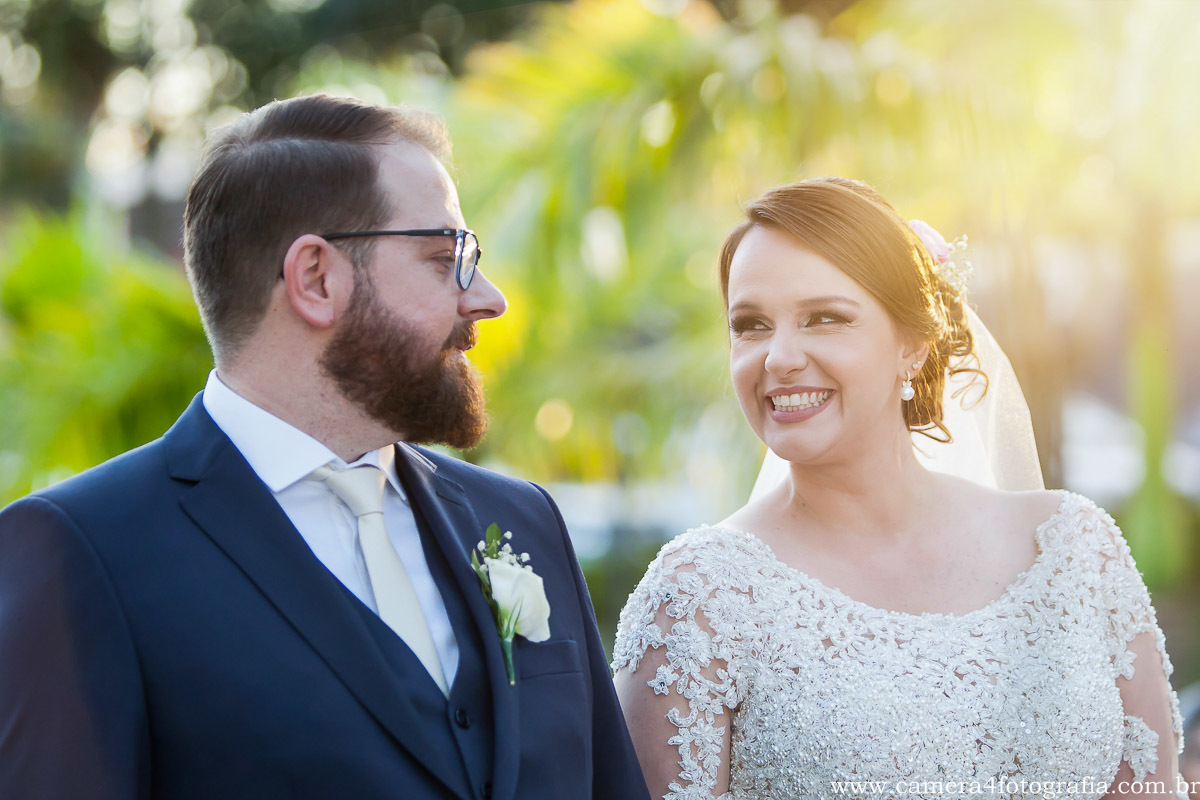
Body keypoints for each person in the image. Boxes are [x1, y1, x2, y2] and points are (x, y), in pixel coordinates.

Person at [0, 94, 649, 800]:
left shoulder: (524, 521)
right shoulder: (85, 551)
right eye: (445, 259)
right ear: (316, 279)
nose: (489, 299)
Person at [611, 177, 1185, 800]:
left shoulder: (1072, 547)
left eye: (824, 318)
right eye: (750, 325)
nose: (778, 357)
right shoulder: (698, 597)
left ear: (913, 343)